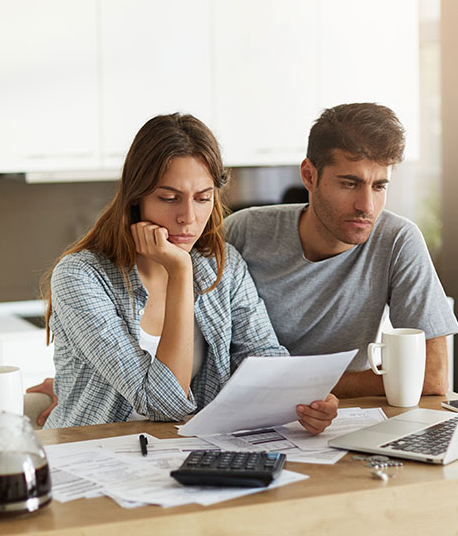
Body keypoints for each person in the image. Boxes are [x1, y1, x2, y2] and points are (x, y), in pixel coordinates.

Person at [35, 113, 338, 432]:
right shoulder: (80, 276)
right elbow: (163, 403)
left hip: (185, 454)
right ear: (136, 197)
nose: (188, 217)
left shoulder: (224, 266)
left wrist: (306, 399)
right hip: (94, 458)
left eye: (203, 198)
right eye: (169, 198)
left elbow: (263, 358)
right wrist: (180, 270)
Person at [223, 103, 458, 398]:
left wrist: (298, 388)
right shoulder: (242, 233)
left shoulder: (398, 240)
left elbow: (431, 377)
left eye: (379, 186)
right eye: (350, 183)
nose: (367, 207)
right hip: (253, 418)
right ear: (309, 176)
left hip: (348, 421)